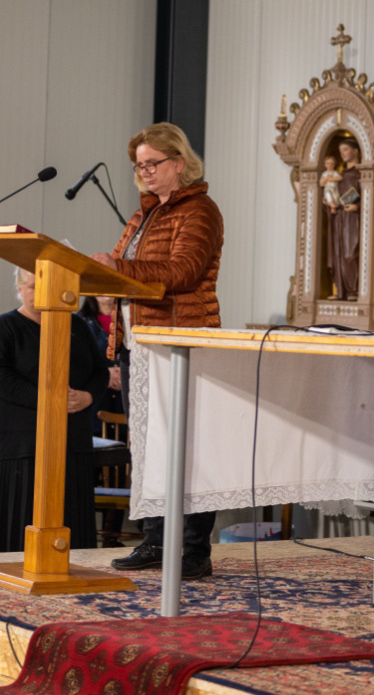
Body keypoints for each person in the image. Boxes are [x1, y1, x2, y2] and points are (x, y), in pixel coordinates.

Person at [91, 122, 223, 580]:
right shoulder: (141, 215)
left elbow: (184, 271)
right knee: (147, 448)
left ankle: (192, 550)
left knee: (186, 448)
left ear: (179, 163)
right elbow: (120, 270)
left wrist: (118, 268)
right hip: (138, 346)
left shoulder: (201, 210)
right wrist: (101, 276)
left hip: (179, 341)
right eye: (139, 165)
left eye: (152, 163)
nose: (144, 171)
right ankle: (155, 539)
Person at [0, 267, 107, 553]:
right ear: (19, 289)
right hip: (20, 443)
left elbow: (100, 372)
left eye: (45, 287)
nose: (40, 294)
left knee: (71, 514)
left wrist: (87, 396)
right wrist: (50, 400)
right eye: (33, 287)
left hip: (71, 440)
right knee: (19, 521)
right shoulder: (5, 326)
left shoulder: (77, 326)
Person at [325, 139, 363, 299]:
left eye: (346, 149)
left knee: (350, 253)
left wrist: (357, 207)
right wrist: (328, 202)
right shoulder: (340, 175)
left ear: (355, 151)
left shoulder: (360, 173)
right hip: (340, 217)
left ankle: (354, 290)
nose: (343, 153)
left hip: (353, 218)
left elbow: (373, 198)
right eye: (341, 151)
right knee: (338, 254)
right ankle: (341, 291)